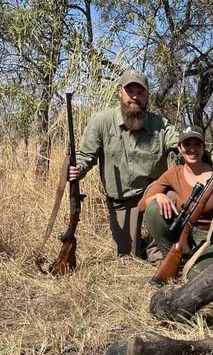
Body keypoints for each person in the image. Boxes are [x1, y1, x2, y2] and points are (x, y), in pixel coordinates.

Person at [68, 69, 179, 257]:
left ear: (147, 96)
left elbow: (183, 146)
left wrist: (211, 161)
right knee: (127, 256)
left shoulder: (159, 124)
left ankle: (158, 249)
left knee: (174, 197)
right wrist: (77, 169)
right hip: (122, 202)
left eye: (140, 92)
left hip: (154, 195)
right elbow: (85, 156)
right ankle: (140, 242)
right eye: (130, 91)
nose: (135, 97)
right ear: (120, 92)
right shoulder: (101, 121)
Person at [138, 125, 213, 277]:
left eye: (197, 144)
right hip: (181, 233)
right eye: (187, 144)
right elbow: (142, 205)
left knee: (197, 276)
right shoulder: (173, 173)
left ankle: (190, 263)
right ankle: (174, 257)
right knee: (153, 207)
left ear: (204, 148)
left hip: (209, 238)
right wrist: (158, 196)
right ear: (180, 148)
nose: (192, 149)